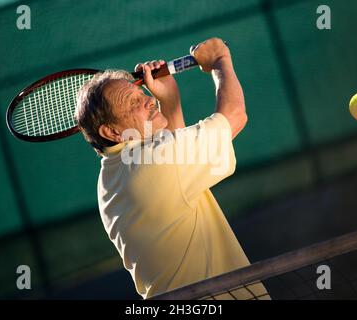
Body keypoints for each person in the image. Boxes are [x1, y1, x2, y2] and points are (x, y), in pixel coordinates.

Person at [75, 38, 269, 299]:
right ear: (111, 131)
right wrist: (220, 60)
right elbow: (235, 114)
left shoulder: (113, 174)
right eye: (133, 103)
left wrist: (170, 102)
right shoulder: (152, 162)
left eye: (142, 94)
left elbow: (175, 172)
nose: (148, 101)